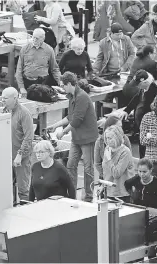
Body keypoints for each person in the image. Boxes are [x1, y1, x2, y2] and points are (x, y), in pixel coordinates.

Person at [47, 72, 98, 202]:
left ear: (69, 84)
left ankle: (88, 196)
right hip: (76, 137)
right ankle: (72, 194)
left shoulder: (82, 97)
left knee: (88, 167)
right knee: (70, 165)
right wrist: (55, 125)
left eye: (63, 85)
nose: (63, 88)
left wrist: (62, 132)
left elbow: (77, 120)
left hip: (87, 138)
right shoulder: (71, 97)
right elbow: (70, 116)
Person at [119, 70, 157, 158]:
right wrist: (127, 110)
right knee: (142, 152)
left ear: (145, 82)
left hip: (149, 129)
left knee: (148, 153)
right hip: (141, 128)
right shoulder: (143, 89)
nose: (137, 86)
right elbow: (136, 99)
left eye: (138, 84)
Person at [1, 87, 34, 202]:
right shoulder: (3, 112)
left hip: (21, 158)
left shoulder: (24, 114)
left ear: (15, 98)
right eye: (2, 97)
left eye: (5, 98)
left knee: (23, 189)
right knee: (6, 188)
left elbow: (28, 137)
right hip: (6, 156)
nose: (2, 100)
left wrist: (20, 154)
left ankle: (26, 210)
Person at [16, 28, 61, 95]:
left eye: (37, 38)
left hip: (43, 83)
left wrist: (60, 81)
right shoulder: (25, 49)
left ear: (43, 39)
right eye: (33, 37)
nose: (34, 40)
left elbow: (54, 69)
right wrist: (21, 87)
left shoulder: (49, 50)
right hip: (28, 82)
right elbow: (19, 70)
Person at [101, 125, 133, 202]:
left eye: (110, 138)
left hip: (121, 193)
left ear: (117, 138)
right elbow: (106, 172)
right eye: (106, 138)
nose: (108, 141)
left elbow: (117, 174)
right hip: (108, 191)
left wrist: (109, 159)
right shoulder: (107, 149)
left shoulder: (125, 152)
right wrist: (102, 186)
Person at [94, 114, 132, 180]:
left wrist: (109, 161)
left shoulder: (125, 140)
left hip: (122, 178)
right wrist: (107, 175)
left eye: (121, 127)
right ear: (109, 127)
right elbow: (97, 163)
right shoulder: (100, 142)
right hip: (106, 177)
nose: (121, 129)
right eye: (118, 127)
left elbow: (129, 160)